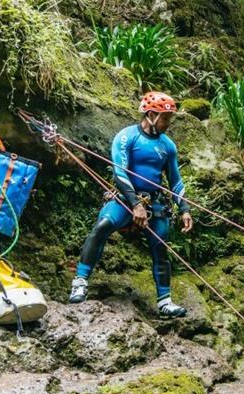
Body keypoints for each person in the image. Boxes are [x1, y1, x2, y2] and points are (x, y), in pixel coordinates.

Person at [69, 92, 193, 318]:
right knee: (103, 226)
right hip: (127, 198)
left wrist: (184, 209)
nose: (168, 123)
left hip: (154, 202)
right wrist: (135, 203)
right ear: (152, 115)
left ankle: (165, 302)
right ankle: (80, 282)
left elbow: (175, 181)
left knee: (160, 245)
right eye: (165, 118)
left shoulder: (168, 146)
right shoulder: (127, 137)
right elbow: (120, 172)